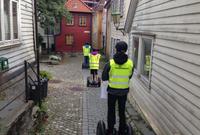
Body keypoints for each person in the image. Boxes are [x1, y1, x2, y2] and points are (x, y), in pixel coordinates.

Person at [102, 41, 134, 135]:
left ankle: (110, 131)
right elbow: (130, 76)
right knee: (122, 111)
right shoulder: (130, 64)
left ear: (116, 49)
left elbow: (104, 77)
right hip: (123, 92)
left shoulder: (110, 63)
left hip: (112, 91)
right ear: (126, 50)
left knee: (111, 111)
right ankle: (122, 130)